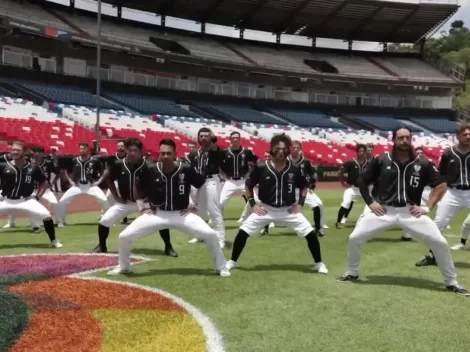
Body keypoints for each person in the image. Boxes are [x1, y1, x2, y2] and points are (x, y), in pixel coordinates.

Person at [336, 127, 469, 296]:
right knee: (355, 238)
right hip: (384, 211)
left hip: (410, 212)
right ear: (394, 140)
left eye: (407, 138)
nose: (404, 141)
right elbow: (362, 180)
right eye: (401, 138)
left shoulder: (422, 163)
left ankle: (451, 282)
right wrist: (371, 202)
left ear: (411, 139)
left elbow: (441, 184)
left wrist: (427, 207)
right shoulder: (381, 160)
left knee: (440, 243)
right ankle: (352, 272)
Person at [107, 138, 229, 277]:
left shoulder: (186, 168)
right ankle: (123, 267)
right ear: (159, 154)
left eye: (168, 153)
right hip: (157, 214)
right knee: (124, 236)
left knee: (211, 234)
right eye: (162, 153)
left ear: (175, 154)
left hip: (181, 214)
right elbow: (138, 187)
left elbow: (201, 184)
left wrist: (196, 206)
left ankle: (221, 267)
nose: (165, 156)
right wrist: (141, 207)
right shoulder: (151, 169)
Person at [225, 133, 328, 274]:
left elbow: (304, 186)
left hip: (288, 210)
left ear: (288, 150)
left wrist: (300, 204)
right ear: (272, 149)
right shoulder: (261, 166)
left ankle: (319, 264)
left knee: (310, 234)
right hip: (266, 210)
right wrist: (253, 205)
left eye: (284, 148)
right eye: (277, 148)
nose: (280, 151)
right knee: (242, 232)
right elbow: (248, 186)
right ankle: (232, 261)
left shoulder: (294, 168)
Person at [415, 125, 470, 265]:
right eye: (465, 134)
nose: (468, 136)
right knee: (438, 224)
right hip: (453, 193)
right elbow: (442, 174)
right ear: (458, 136)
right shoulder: (448, 153)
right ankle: (433, 255)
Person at [0, 141, 62, 248]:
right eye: (13, 149)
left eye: (18, 150)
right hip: (6, 200)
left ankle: (54, 240)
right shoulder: (3, 166)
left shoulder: (33, 168)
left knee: (47, 216)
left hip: (26, 201)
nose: (15, 152)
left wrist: (37, 196)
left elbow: (44, 183)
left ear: (24, 152)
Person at [186, 128, 226, 248]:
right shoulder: (195, 154)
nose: (203, 138)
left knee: (214, 210)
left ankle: (220, 238)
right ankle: (200, 235)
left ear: (210, 138)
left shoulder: (213, 150)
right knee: (200, 211)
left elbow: (216, 151)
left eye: (206, 136)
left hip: (211, 180)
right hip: (200, 181)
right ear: (198, 138)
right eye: (201, 136)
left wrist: (214, 140)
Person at [56, 142, 109, 225]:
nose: (82, 150)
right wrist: (70, 181)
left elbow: (104, 171)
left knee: (104, 200)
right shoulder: (74, 160)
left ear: (87, 149)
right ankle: (61, 221)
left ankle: (107, 220)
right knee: (62, 201)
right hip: (78, 186)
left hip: (91, 186)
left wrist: (98, 181)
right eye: (80, 148)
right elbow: (66, 170)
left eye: (84, 148)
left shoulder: (94, 160)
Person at [289, 141, 326, 237]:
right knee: (276, 207)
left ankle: (318, 229)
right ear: (290, 149)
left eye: (297, 147)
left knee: (316, 208)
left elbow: (313, 175)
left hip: (303, 190)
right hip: (290, 190)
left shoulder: (306, 162)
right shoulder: (286, 161)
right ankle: (266, 228)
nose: (296, 149)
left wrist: (312, 185)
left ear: (300, 149)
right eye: (294, 147)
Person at [220, 132, 258, 209]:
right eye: (233, 138)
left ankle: (256, 217)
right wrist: (223, 176)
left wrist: (250, 173)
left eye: (237, 138)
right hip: (230, 181)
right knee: (221, 202)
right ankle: (215, 219)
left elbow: (256, 162)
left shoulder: (246, 152)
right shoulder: (224, 152)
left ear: (239, 139)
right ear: (230, 139)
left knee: (256, 201)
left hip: (243, 180)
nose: (235, 139)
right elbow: (218, 164)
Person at [336, 144, 368, 229]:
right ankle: (338, 222)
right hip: (352, 188)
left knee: (371, 204)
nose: (361, 153)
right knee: (346, 203)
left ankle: (366, 222)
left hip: (363, 189)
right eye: (360, 151)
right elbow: (340, 172)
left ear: (365, 153)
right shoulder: (351, 162)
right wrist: (342, 182)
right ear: (357, 152)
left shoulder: (368, 163)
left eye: (363, 151)